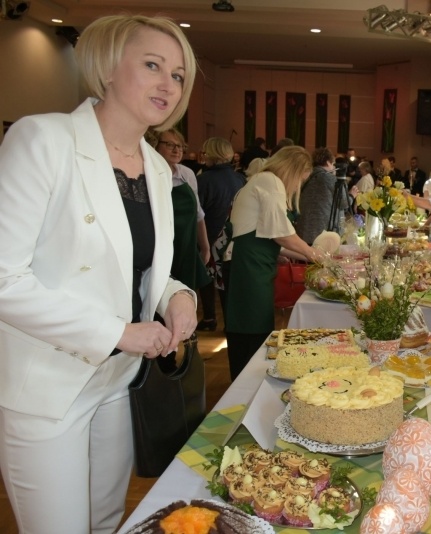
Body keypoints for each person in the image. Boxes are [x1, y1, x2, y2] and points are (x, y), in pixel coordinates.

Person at [0, 15, 198, 534]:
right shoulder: (43, 139)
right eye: (152, 65)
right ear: (109, 67)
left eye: (177, 75)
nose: (168, 85)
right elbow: (5, 280)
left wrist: (178, 298)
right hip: (49, 387)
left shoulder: (157, 168)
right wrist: (119, 333)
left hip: (116, 381)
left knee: (108, 523)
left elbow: (135, 270)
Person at [225, 146, 321, 379]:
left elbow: (271, 236)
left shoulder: (262, 180)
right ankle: (245, 386)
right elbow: (281, 234)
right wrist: (316, 255)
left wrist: (305, 254)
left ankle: (245, 383)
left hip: (253, 264)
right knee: (252, 332)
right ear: (294, 170)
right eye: (300, 179)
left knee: (253, 329)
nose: (297, 186)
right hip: (249, 267)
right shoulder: (270, 181)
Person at [196, 137, 245, 331]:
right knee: (229, 285)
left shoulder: (202, 180)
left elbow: (197, 213)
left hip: (210, 236)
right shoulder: (240, 178)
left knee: (207, 280)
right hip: (235, 238)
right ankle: (230, 324)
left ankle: (209, 319)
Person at [154, 128, 211, 289]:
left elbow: (198, 213)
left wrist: (205, 247)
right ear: (155, 146)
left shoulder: (187, 174)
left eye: (180, 146)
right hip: (160, 247)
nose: (176, 150)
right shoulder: (148, 174)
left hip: (186, 245)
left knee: (185, 295)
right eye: (170, 145)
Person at [295, 147, 356, 244]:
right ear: (328, 162)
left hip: (304, 230)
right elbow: (343, 203)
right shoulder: (329, 178)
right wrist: (352, 195)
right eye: (333, 164)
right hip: (325, 232)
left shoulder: (306, 176)